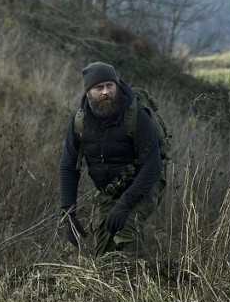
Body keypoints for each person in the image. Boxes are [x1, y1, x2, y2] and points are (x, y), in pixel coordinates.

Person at [59, 61, 165, 257]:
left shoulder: (137, 115)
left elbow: (153, 165)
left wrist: (125, 204)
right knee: (103, 249)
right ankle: (113, 283)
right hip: (110, 190)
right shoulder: (80, 122)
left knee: (126, 226)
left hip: (145, 182)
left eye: (110, 85)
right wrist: (68, 213)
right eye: (99, 88)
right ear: (88, 92)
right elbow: (68, 167)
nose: (106, 92)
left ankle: (145, 279)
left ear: (117, 85)